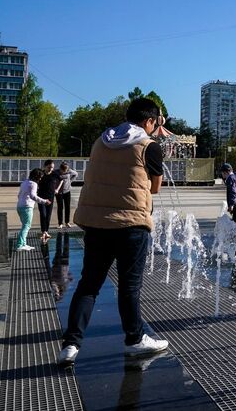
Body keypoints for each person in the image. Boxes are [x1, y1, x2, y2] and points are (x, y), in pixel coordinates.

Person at [58, 98, 169, 366]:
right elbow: (155, 188)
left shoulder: (101, 140)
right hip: (131, 225)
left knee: (89, 284)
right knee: (129, 287)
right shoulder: (149, 146)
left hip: (97, 224)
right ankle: (135, 339)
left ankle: (70, 345)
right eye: (155, 123)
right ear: (149, 122)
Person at [16, 168, 52, 251]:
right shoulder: (33, 184)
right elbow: (33, 196)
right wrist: (44, 201)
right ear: (36, 176)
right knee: (26, 226)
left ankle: (23, 243)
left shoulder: (24, 182)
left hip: (19, 206)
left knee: (24, 226)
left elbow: (19, 195)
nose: (40, 179)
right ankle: (20, 245)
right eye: (40, 177)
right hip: (27, 207)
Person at [38, 159, 61, 242]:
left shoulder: (54, 174)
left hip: (50, 197)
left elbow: (61, 180)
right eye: (49, 167)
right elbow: (35, 181)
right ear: (45, 166)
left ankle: (46, 231)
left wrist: (57, 189)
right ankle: (43, 231)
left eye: (52, 167)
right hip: (41, 198)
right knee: (43, 215)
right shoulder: (41, 173)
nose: (51, 169)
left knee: (48, 216)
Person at [55, 162, 78, 228]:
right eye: (63, 171)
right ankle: (60, 223)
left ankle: (67, 222)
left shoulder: (69, 171)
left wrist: (70, 181)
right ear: (60, 169)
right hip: (59, 192)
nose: (64, 172)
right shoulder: (56, 172)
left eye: (65, 171)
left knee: (67, 207)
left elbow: (76, 174)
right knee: (60, 207)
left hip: (67, 191)